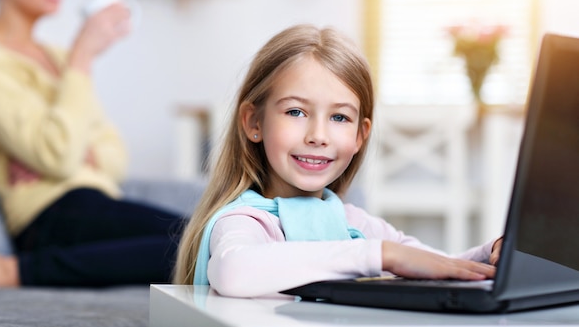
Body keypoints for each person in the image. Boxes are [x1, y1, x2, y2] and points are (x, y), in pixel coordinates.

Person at [173, 24, 503, 297]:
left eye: (340, 118)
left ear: (361, 135)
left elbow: (440, 265)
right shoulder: (247, 221)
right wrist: (381, 255)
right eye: (296, 111)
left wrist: (490, 254)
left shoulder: (354, 223)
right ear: (254, 123)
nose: (319, 135)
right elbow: (234, 272)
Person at [0, 0, 185, 288]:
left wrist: (70, 150)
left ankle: (19, 270)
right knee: (203, 245)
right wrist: (83, 55)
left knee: (212, 240)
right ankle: (13, 271)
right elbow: (57, 155)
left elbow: (114, 156)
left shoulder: (60, 58)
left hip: (93, 204)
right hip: (45, 215)